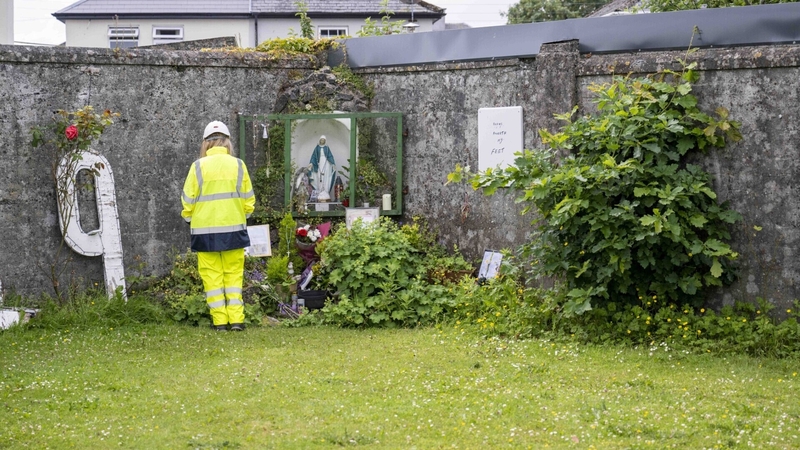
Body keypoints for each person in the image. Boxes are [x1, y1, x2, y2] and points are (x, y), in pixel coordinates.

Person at [181, 121, 255, 331]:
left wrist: (190, 218)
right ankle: (237, 320)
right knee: (233, 275)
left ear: (206, 143)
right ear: (227, 142)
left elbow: (187, 200)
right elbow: (249, 200)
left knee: (212, 278)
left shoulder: (198, 166)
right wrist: (240, 216)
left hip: (204, 232)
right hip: (234, 229)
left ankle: (220, 322)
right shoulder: (239, 165)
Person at [308, 135, 336, 201]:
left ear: (325, 141)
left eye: (323, 140)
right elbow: (314, 157)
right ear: (320, 140)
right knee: (319, 177)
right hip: (319, 163)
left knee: (326, 177)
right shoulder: (317, 148)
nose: (322, 141)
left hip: (327, 164)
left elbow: (330, 156)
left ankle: (326, 191)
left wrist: (333, 164)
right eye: (321, 140)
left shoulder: (327, 148)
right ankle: (320, 191)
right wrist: (311, 163)